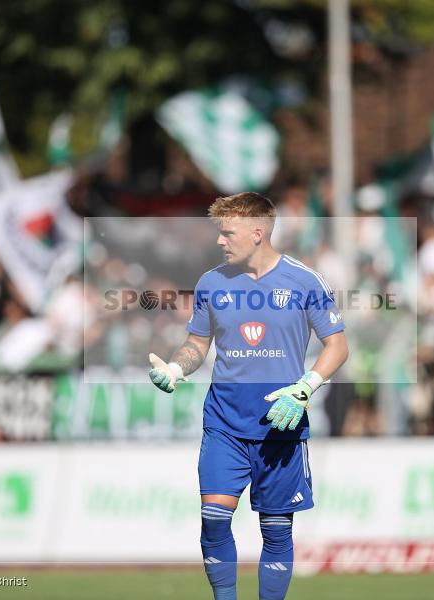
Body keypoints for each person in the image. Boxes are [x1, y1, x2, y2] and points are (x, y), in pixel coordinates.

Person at [148, 192, 349, 600]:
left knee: (276, 530)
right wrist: (176, 367)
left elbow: (338, 347)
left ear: (258, 233)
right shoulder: (211, 283)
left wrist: (305, 387)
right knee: (213, 518)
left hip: (281, 424)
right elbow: (196, 345)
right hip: (225, 422)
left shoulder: (304, 281)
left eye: (228, 233)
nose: (220, 241)